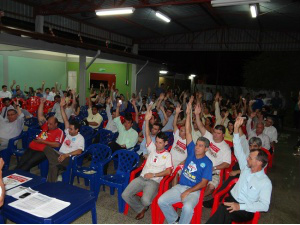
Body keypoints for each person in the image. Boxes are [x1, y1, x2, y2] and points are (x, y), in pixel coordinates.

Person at [206, 117, 272, 224]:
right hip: (231, 199)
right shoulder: (245, 168)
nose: (247, 158)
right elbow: (238, 148)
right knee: (224, 210)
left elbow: (264, 206)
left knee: (224, 210)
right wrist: (236, 128)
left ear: (259, 162)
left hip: (245, 209)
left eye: (250, 158)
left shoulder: (264, 182)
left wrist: (240, 206)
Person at [158, 101, 212, 224]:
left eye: (201, 146)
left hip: (194, 191)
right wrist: (188, 114)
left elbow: (204, 183)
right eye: (197, 145)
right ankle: (174, 220)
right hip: (180, 187)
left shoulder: (208, 163)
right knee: (161, 200)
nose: (197, 147)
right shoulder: (192, 152)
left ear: (206, 149)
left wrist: (188, 191)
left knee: (187, 207)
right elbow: (188, 132)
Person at [122, 109, 172, 220]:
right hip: (141, 178)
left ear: (165, 143)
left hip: (153, 181)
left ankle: (144, 204)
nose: (157, 145)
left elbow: (169, 171)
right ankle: (141, 209)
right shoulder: (152, 148)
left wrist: (153, 175)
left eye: (160, 143)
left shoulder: (168, 155)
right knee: (125, 194)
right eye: (157, 142)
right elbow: (147, 135)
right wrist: (146, 120)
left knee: (145, 200)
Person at [17, 98, 64, 171]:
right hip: (32, 148)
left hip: (43, 151)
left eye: (50, 124)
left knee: (28, 164)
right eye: (47, 123)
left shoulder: (59, 132)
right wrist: (41, 103)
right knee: (21, 163)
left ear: (56, 124)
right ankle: (14, 176)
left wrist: (41, 142)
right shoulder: (46, 126)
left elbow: (57, 144)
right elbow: (40, 116)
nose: (48, 125)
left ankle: (18, 178)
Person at [44, 97, 84, 182]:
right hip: (59, 154)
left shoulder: (80, 138)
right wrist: (61, 107)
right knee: (46, 148)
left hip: (68, 158)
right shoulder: (68, 132)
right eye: (68, 128)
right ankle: (58, 168)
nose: (68, 130)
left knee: (53, 165)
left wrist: (66, 155)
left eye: (71, 129)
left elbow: (79, 151)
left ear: (77, 130)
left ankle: (50, 183)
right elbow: (65, 119)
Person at [194, 103, 231, 197]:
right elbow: (201, 126)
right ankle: (191, 194)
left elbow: (227, 163)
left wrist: (214, 168)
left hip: (214, 171)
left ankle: (199, 199)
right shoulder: (209, 137)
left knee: (211, 187)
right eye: (214, 132)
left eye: (218, 133)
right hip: (200, 165)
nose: (215, 135)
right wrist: (197, 115)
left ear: (223, 135)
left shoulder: (225, 148)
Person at [169, 104, 187, 169]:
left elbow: (190, 155)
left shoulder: (189, 142)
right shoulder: (177, 136)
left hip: (179, 163)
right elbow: (174, 124)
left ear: (186, 133)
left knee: (175, 175)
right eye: (180, 130)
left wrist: (184, 162)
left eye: (181, 131)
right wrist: (176, 113)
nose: (179, 131)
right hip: (169, 159)